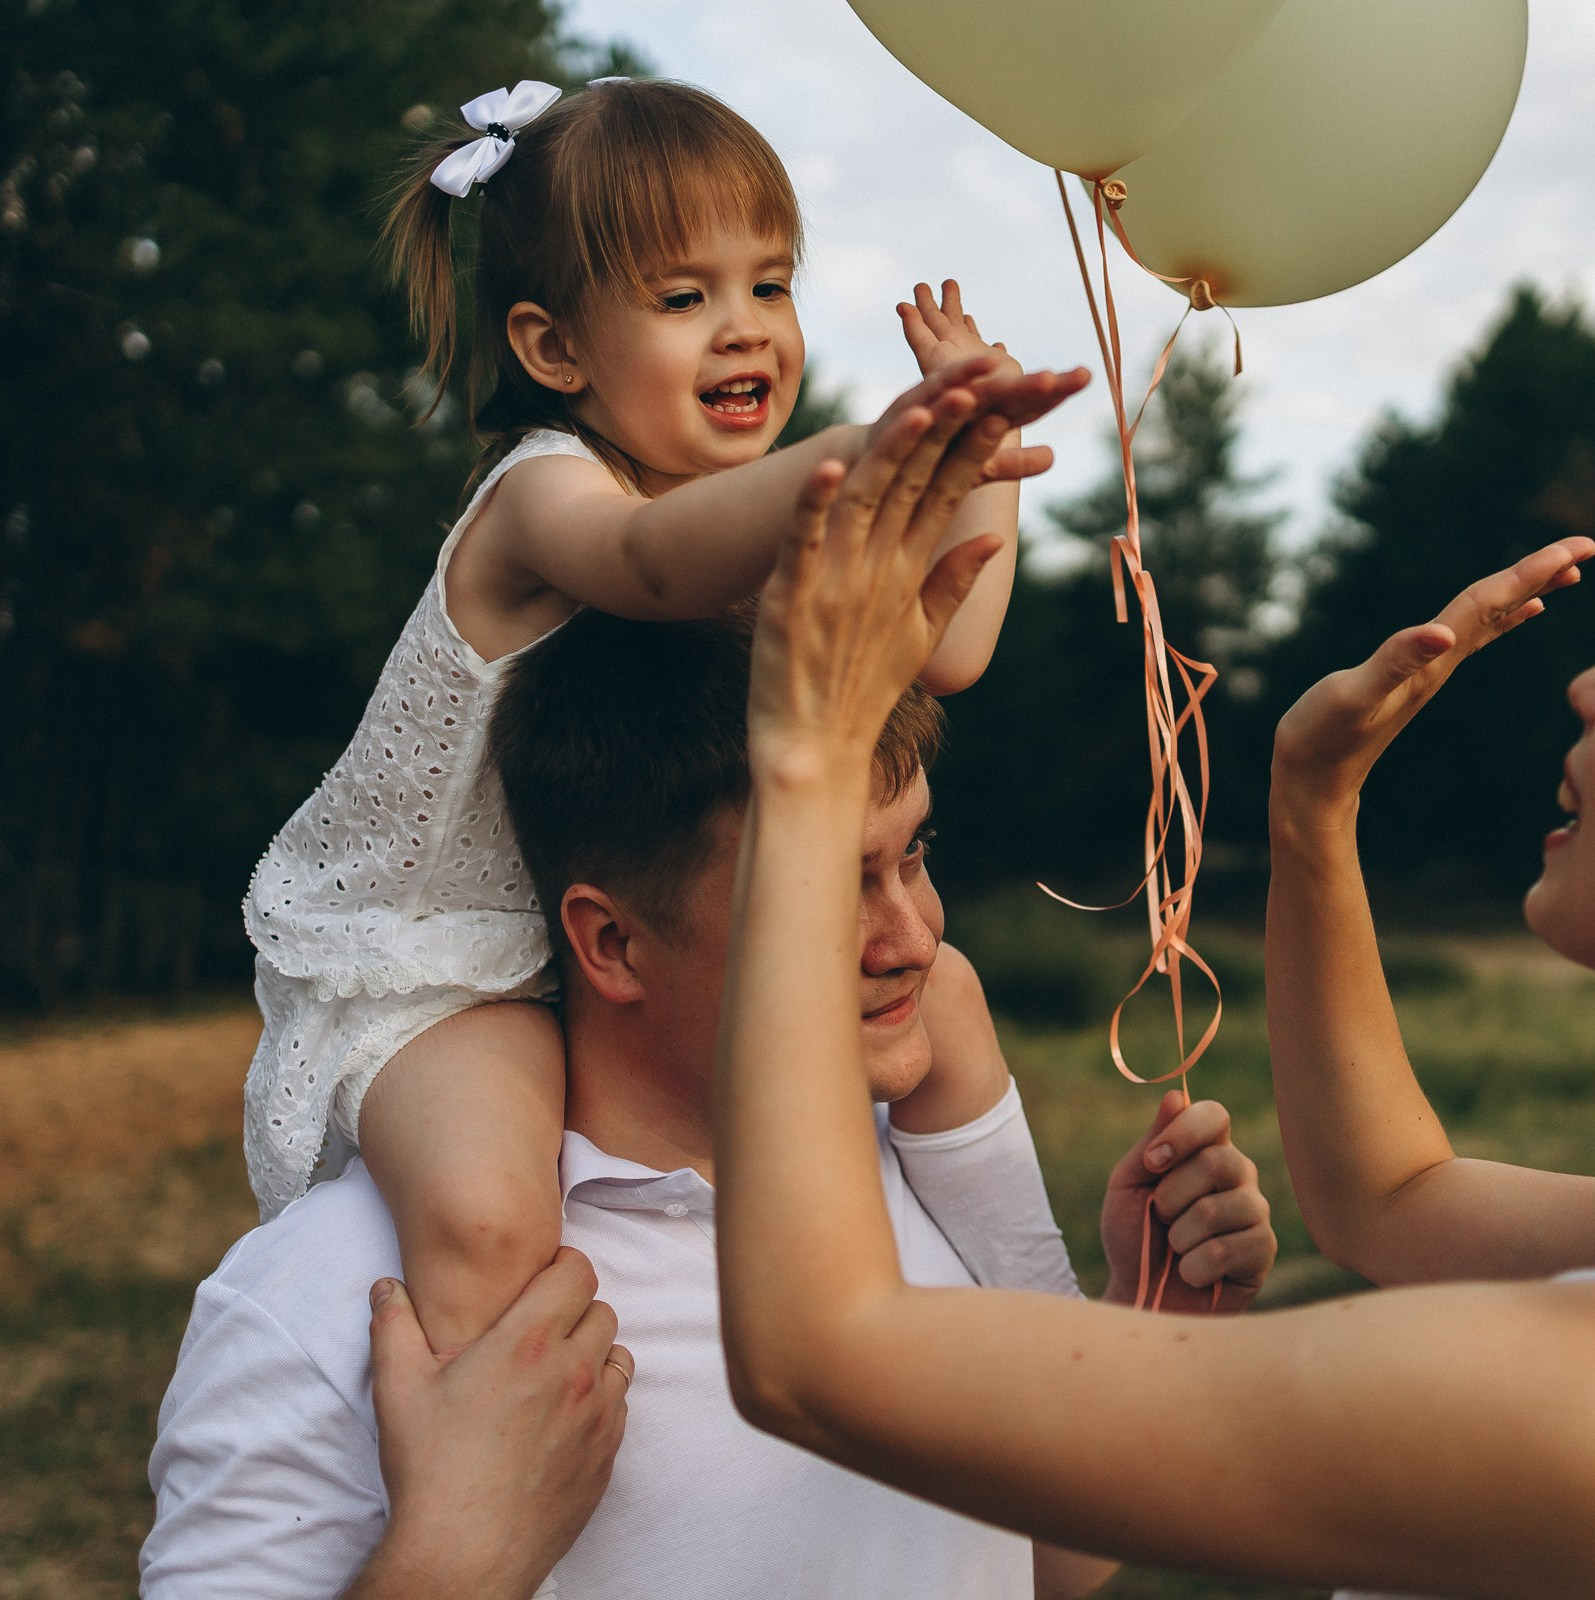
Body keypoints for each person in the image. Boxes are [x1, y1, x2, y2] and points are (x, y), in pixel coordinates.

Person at [706, 464, 1595, 1598]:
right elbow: (1390, 1201)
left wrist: (813, 761)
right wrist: (1310, 800)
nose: (1589, 682)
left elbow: (822, 1353)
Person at [145, 398, 1280, 1598]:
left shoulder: (923, 1167)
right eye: (830, 886)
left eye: (915, 854)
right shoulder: (342, 1302)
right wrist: (452, 1561)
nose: (915, 939)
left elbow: (1022, 1563)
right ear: (612, 941)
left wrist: (1157, 1323)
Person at [236, 71, 1090, 1358]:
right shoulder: (544, 498)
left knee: (953, 996)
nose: (744, 330)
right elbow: (649, 564)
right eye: (685, 299)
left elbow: (948, 649)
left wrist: (987, 464)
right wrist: (860, 453)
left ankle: (1045, 1321)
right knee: (485, 1209)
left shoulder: (735, 519)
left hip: (606, 934)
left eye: (771, 285)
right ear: (554, 350)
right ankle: (484, 1438)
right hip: (429, 966)